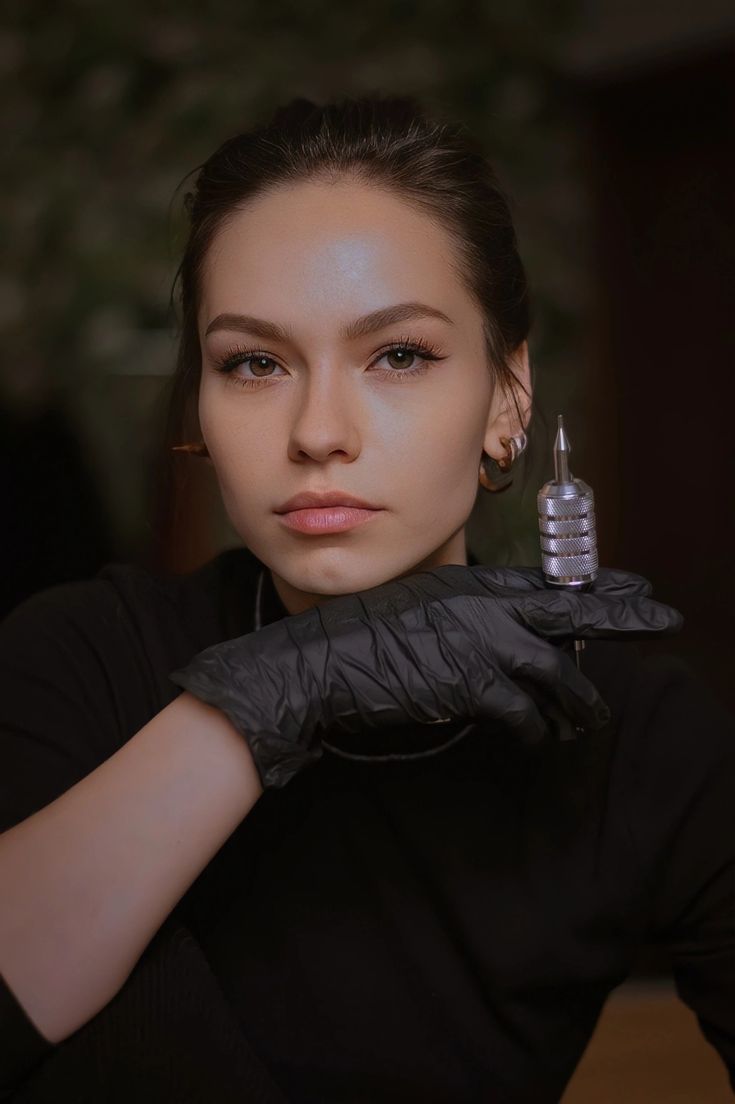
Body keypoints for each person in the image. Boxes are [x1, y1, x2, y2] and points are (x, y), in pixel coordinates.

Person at [0, 93, 732, 1104]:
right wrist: (268, 694)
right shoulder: (77, 659)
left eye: (398, 355)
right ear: (200, 406)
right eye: (254, 363)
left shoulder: (639, 741)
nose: (318, 431)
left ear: (506, 399)